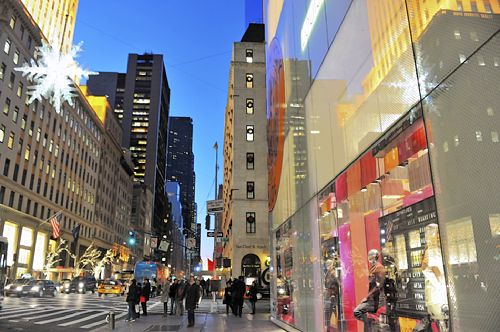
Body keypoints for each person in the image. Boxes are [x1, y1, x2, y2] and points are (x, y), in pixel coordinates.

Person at [354, 249, 385, 325]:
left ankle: (372, 323)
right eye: (369, 255)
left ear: (375, 256)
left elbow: (378, 286)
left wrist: (367, 297)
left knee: (357, 311)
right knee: (362, 314)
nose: (369, 257)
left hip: (376, 298)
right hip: (372, 297)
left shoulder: (379, 267)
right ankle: (371, 323)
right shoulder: (373, 267)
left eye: (370, 255)